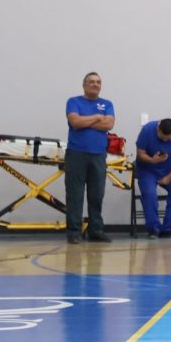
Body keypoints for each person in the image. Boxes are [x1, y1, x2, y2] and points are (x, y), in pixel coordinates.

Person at [64, 72, 115, 244]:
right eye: (91, 81)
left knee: (96, 195)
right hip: (76, 154)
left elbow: (109, 124)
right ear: (84, 85)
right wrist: (97, 117)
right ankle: (74, 233)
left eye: (98, 82)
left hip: (98, 155)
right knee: (75, 195)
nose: (95, 84)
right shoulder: (73, 102)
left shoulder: (107, 104)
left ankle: (96, 232)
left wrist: (85, 121)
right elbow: (75, 123)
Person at [134, 118, 171, 238]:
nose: (165, 140)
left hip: (170, 170)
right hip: (148, 170)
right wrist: (152, 160)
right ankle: (153, 229)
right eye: (162, 138)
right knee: (149, 193)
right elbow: (140, 153)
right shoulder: (147, 130)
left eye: (168, 139)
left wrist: (169, 177)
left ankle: (168, 229)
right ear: (158, 129)